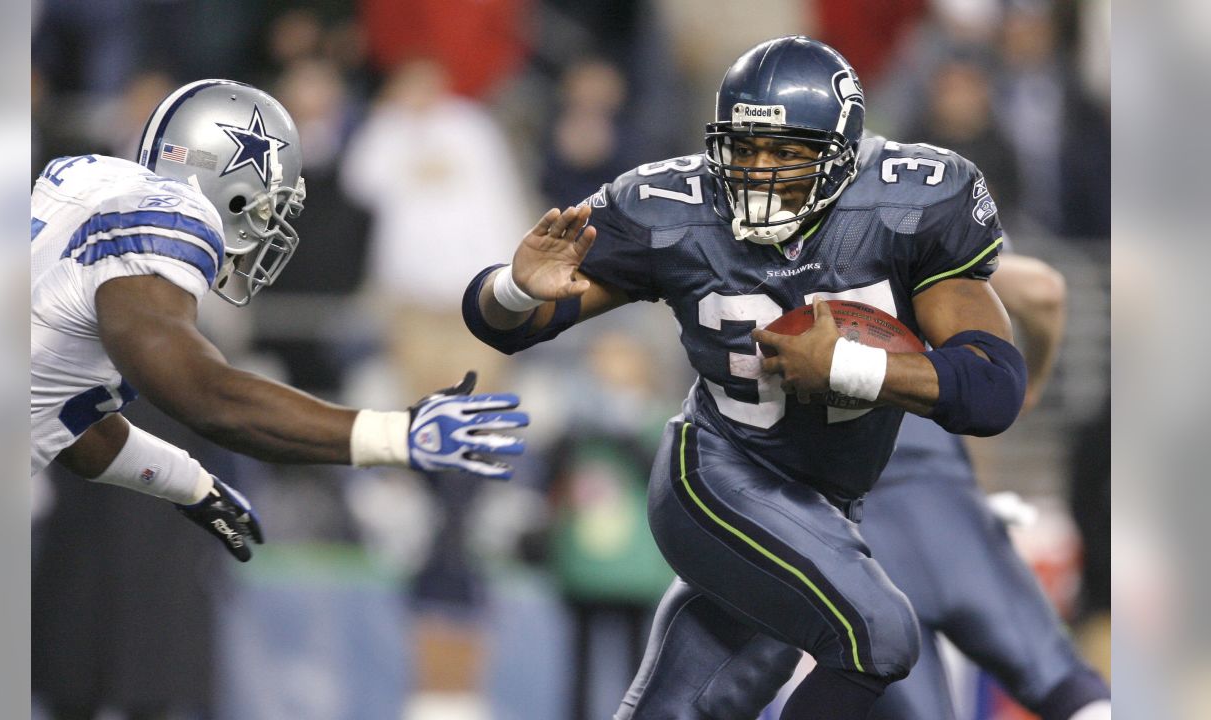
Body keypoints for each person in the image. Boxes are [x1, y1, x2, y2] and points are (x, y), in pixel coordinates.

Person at [462, 36, 1028, 718]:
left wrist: (850, 367)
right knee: (877, 633)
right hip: (718, 479)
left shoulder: (911, 203)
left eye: (787, 151)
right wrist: (518, 291)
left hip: (822, 504)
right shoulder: (670, 204)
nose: (760, 171)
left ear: (841, 150)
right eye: (745, 148)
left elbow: (993, 388)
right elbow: (507, 325)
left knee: (689, 706)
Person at [31, 79, 528, 562]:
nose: (270, 224)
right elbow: (208, 395)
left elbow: (71, 422)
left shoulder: (85, 179)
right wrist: (397, 435)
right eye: (271, 203)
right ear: (233, 185)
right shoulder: (177, 218)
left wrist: (190, 484)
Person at [862, 253, 1111, 719]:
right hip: (948, 504)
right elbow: (1043, 291)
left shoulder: (768, 257)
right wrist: (1027, 387)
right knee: (1066, 686)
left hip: (852, 527)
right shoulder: (927, 233)